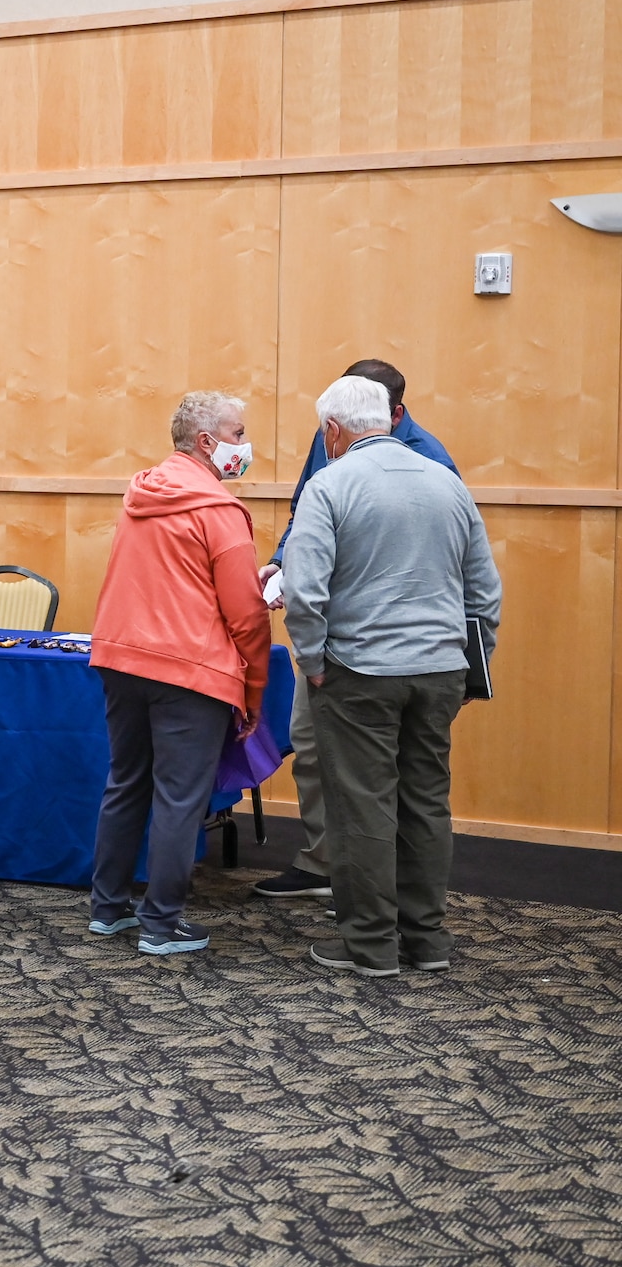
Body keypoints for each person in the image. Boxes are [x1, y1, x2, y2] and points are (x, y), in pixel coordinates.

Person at [283, 375, 500, 977]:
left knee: (362, 806)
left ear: (333, 430)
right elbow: (484, 591)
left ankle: (370, 944)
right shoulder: (448, 485)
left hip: (359, 672)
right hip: (440, 669)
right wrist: (472, 667)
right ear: (388, 417)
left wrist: (313, 662)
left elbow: (305, 593)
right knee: (427, 802)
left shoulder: (329, 486)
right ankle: (426, 940)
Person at [254, 359, 457, 903]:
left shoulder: (431, 461)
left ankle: (375, 893)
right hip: (331, 636)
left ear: (393, 413)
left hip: (386, 649)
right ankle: (326, 861)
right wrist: (283, 564)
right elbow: (304, 512)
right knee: (312, 746)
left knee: (386, 776)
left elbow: (459, 564)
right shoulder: (332, 433)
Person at [86, 391, 272, 955]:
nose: (246, 445)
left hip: (121, 659)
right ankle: (162, 925)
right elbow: (246, 615)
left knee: (126, 783)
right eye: (238, 434)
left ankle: (109, 908)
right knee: (178, 798)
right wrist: (255, 687)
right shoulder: (221, 510)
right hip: (190, 672)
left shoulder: (141, 493)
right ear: (208, 442)